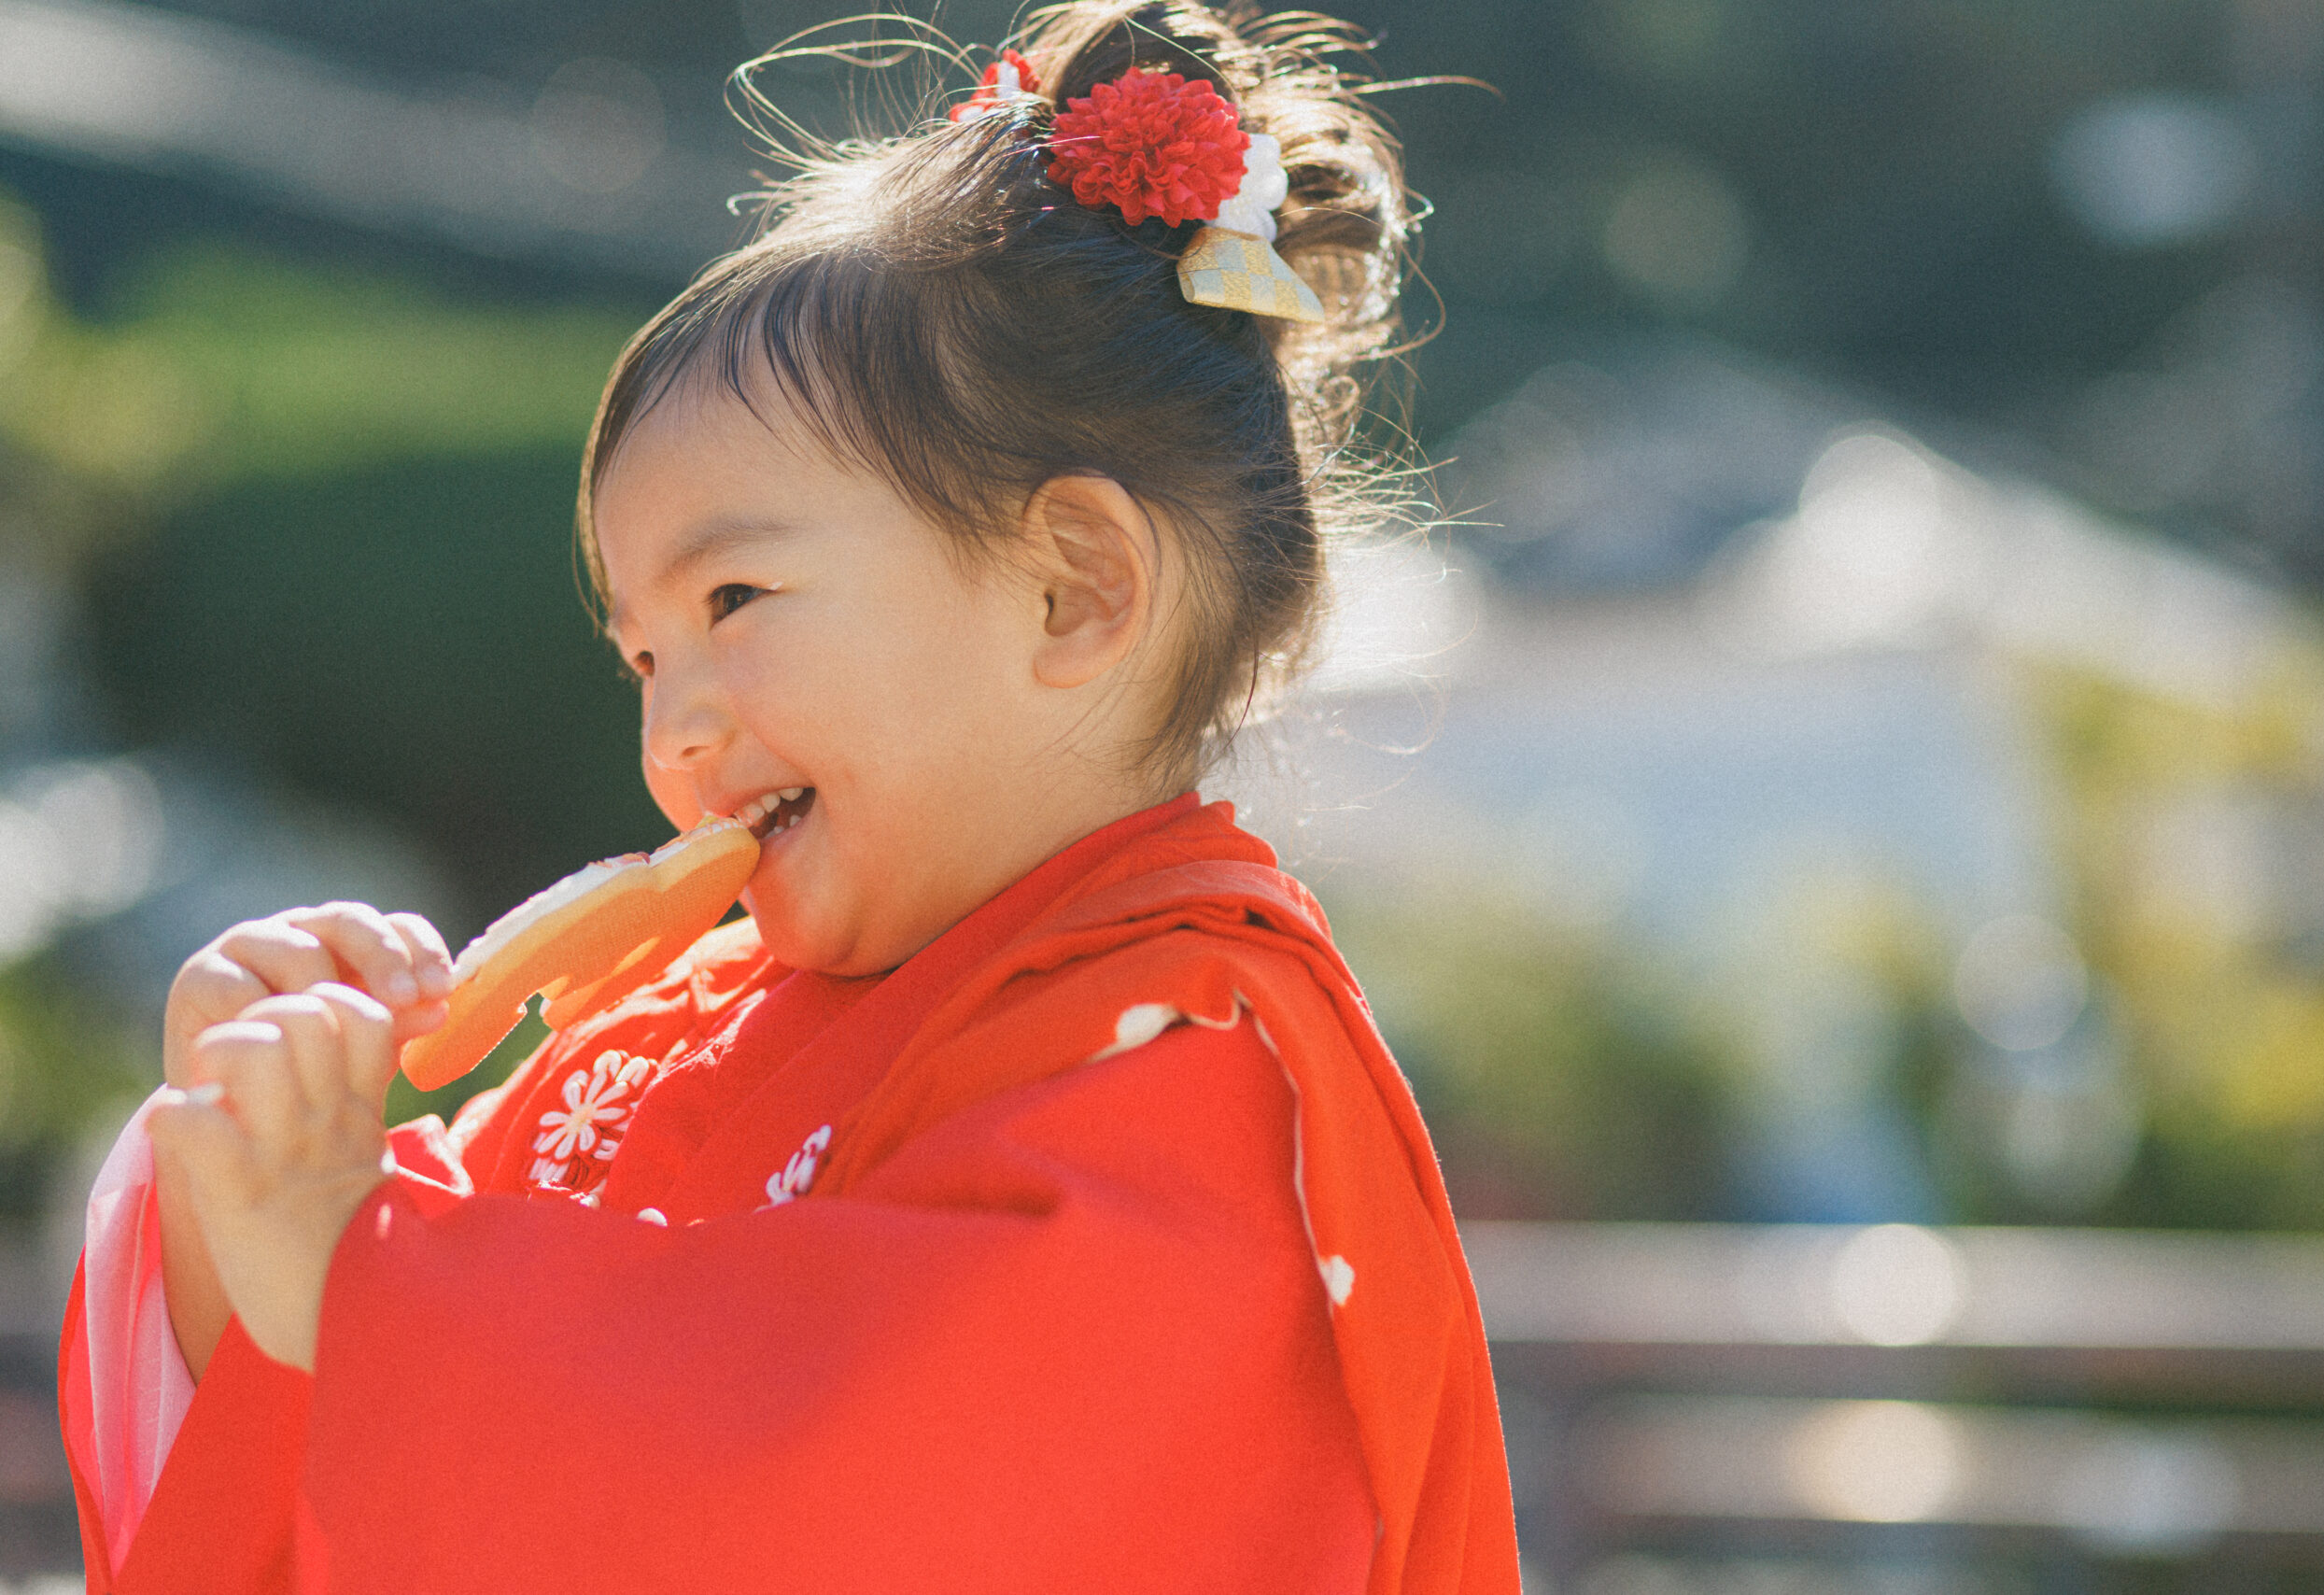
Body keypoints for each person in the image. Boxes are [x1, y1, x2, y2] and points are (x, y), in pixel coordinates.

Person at [58, 3, 1519, 1589]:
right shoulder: (672, 1022)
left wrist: (355, 1271)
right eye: (638, 660)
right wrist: (243, 1175)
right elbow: (367, 1375)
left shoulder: (1196, 1070)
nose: (673, 733)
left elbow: (818, 1498)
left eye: (735, 601)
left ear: (1071, 591)